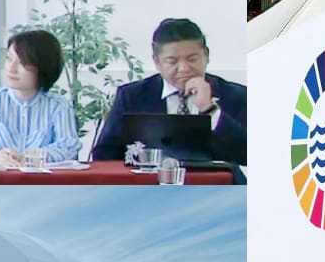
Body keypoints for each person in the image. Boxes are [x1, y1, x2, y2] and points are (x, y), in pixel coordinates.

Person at [93, 18, 247, 165]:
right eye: (172, 61)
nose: (184, 69)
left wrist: (209, 110)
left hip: (219, 182)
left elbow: (248, 154)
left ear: (206, 56)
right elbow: (103, 156)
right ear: (157, 62)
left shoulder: (236, 95)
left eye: (192, 59)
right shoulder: (131, 96)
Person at [0, 30, 80, 165]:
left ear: (43, 67)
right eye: (9, 58)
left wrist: (29, 157)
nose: (11, 68)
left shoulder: (59, 106)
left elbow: (69, 146)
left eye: (23, 62)